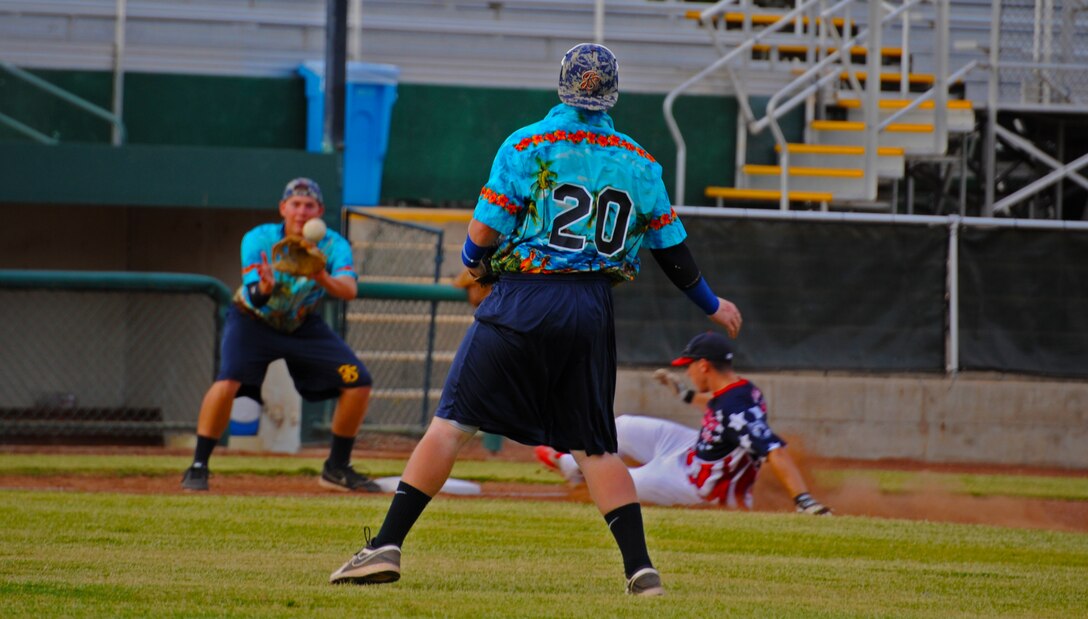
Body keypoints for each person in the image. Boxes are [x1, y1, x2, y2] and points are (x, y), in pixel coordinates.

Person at [328, 43, 742, 596]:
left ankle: (385, 545)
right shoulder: (642, 162)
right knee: (596, 447)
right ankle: (641, 571)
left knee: (451, 424)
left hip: (524, 297)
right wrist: (712, 304)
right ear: (613, 91)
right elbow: (673, 251)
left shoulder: (527, 144)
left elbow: (483, 231)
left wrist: (473, 264)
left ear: (562, 85)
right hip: (592, 309)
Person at [181, 178, 380, 493]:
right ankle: (198, 465)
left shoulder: (333, 245)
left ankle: (336, 468)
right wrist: (266, 287)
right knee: (228, 380)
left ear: (320, 211)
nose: (301, 211)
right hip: (253, 319)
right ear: (283, 208)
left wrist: (320, 275)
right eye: (295, 204)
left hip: (301, 322)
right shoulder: (258, 239)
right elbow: (256, 296)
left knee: (359, 381)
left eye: (309, 205)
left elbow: (350, 290)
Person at [536, 332, 831, 514]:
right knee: (623, 426)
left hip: (699, 487)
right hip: (692, 453)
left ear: (704, 365)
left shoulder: (736, 408)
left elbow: (774, 450)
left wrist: (803, 499)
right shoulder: (742, 389)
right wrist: (685, 394)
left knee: (622, 481)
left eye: (689, 366)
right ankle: (572, 464)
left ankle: (567, 464)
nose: (688, 372)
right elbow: (718, 406)